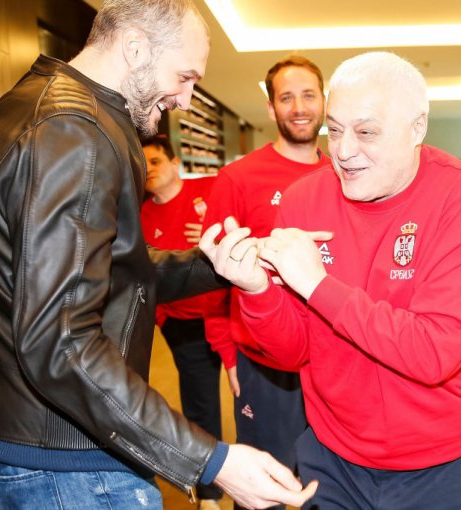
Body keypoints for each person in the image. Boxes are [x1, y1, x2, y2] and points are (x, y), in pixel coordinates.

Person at [0, 1, 317, 509]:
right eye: (185, 77)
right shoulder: (70, 130)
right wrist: (210, 460)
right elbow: (60, 343)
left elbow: (114, 269)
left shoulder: (59, 113)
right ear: (134, 47)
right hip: (73, 461)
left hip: (61, 443)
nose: (186, 100)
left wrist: (222, 264)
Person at [201, 51, 461, 509]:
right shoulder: (304, 200)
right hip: (333, 457)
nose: (344, 151)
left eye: (366, 132)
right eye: (335, 130)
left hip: (445, 462)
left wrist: (318, 285)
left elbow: (434, 352)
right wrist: (257, 290)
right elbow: (293, 352)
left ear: (418, 128)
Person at [201, 56, 329, 506]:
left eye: (308, 95)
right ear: (271, 107)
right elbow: (212, 276)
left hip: (333, 356)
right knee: (264, 489)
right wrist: (227, 352)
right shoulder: (238, 179)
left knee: (329, 486)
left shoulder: (344, 175)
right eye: (286, 97)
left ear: (324, 100)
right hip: (264, 363)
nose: (299, 107)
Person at [139, 134, 223, 509]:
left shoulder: (213, 189)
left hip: (230, 317)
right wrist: (162, 318)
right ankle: (209, 492)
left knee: (250, 401)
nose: (149, 170)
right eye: (143, 165)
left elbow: (249, 225)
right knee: (201, 407)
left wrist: (216, 225)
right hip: (184, 327)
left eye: (155, 161)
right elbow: (141, 272)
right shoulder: (140, 215)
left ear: (175, 163)